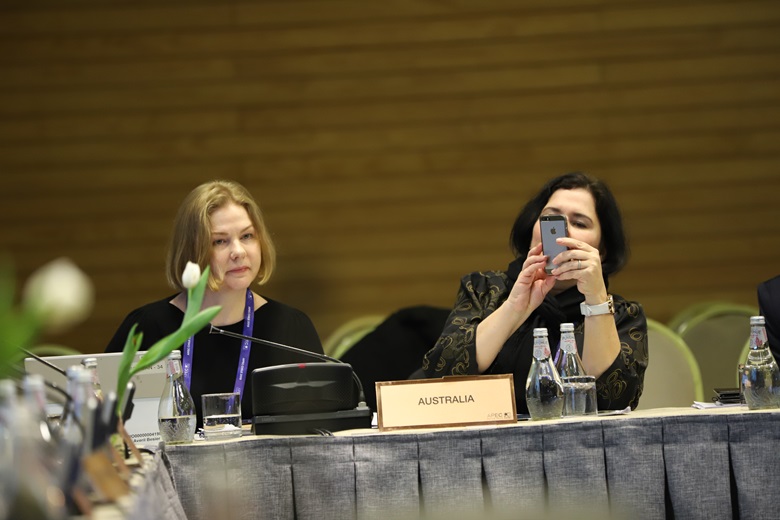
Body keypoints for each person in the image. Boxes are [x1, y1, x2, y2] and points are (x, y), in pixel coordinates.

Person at [422, 172, 647, 414]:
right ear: (532, 229)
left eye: (579, 223)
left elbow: (614, 401)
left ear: (601, 251)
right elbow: (441, 376)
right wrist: (515, 307)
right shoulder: (483, 289)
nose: (562, 233)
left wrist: (596, 302)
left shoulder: (622, 314)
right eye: (550, 219)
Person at [106, 180, 323, 426]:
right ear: (192, 250)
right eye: (220, 241)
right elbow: (106, 422)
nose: (238, 251)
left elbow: (319, 428)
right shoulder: (148, 327)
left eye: (247, 236)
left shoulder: (292, 328)